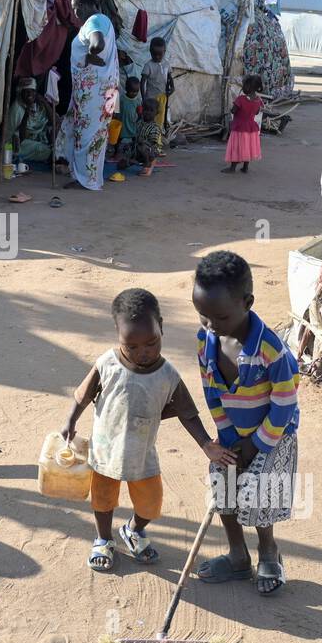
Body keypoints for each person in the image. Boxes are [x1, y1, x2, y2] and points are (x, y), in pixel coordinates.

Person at [61, 288, 215, 571]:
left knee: (151, 505)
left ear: (162, 327)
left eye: (151, 343)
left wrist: (206, 444)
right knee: (103, 500)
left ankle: (133, 530)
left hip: (142, 454)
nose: (143, 352)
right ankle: (103, 539)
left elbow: (187, 412)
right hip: (106, 451)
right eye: (131, 346)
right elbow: (83, 395)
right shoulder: (107, 363)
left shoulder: (168, 375)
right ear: (118, 335)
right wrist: (71, 421)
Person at [190, 251, 300, 595]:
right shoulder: (204, 341)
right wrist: (226, 436)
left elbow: (284, 404)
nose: (210, 325)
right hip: (233, 434)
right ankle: (238, 557)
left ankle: (269, 551)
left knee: (259, 491)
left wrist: (256, 445)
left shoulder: (272, 350)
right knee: (222, 483)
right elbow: (211, 392)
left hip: (273, 434)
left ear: (247, 302)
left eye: (219, 317)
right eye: (202, 316)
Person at [54, 0, 119, 190]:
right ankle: (81, 173)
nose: (75, 14)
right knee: (85, 131)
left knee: (87, 135)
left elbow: (97, 43)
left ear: (85, 6)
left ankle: (87, 181)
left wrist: (91, 52)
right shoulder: (105, 20)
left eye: (76, 9)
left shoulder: (93, 22)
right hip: (104, 90)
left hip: (94, 93)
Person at [223, 75, 264, 174]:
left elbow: (233, 111)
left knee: (237, 147)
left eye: (244, 86)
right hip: (251, 128)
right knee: (248, 147)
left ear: (249, 87)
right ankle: (245, 168)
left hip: (239, 127)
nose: (242, 88)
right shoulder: (258, 100)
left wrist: (232, 107)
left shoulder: (241, 99)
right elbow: (257, 112)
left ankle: (232, 168)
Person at [9, 76, 52, 163]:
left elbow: (54, 121)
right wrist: (26, 115)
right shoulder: (17, 108)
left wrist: (45, 102)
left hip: (38, 140)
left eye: (32, 91)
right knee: (43, 150)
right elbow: (21, 138)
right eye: (26, 91)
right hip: (19, 143)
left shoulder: (39, 105)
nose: (30, 94)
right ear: (21, 93)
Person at [139, 36, 174, 140]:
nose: (157, 56)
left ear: (165, 51)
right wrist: (144, 97)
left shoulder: (166, 64)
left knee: (159, 121)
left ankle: (156, 143)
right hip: (151, 98)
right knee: (150, 120)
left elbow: (169, 77)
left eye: (160, 54)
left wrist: (172, 87)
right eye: (154, 54)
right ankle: (147, 140)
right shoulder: (148, 65)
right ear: (150, 52)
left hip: (162, 97)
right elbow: (143, 82)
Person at [111, 75, 144, 165]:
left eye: (136, 92)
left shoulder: (137, 100)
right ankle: (116, 153)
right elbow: (116, 109)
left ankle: (133, 154)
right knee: (118, 139)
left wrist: (140, 118)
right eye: (132, 91)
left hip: (132, 123)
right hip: (122, 124)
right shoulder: (121, 98)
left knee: (134, 139)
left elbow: (139, 111)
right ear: (126, 88)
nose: (134, 93)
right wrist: (115, 117)